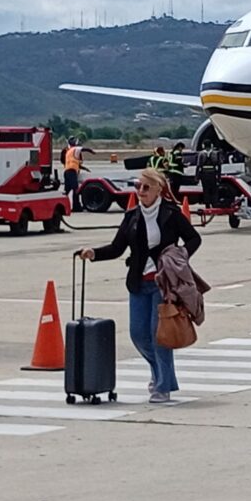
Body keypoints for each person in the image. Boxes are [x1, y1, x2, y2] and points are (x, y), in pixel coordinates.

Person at [78, 168, 201, 403]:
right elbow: (117, 248)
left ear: (158, 189)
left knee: (159, 336)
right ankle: (161, 373)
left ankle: (163, 386)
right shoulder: (132, 216)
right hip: (138, 282)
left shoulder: (171, 213)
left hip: (163, 283)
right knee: (138, 335)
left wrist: (179, 256)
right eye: (137, 186)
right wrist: (93, 253)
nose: (140, 191)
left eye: (145, 187)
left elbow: (194, 238)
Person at [62, 137, 93, 213]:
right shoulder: (74, 149)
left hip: (67, 171)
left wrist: (84, 168)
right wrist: (90, 151)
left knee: (67, 190)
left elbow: (71, 162)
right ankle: (76, 206)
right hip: (72, 171)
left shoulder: (68, 151)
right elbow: (83, 149)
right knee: (76, 189)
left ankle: (62, 206)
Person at [195, 144, 222, 209]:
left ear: (203, 145)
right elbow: (219, 165)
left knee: (206, 190)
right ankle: (214, 204)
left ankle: (207, 205)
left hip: (204, 174)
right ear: (211, 145)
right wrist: (219, 176)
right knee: (214, 190)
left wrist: (197, 176)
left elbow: (198, 166)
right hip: (212, 174)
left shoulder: (201, 154)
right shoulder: (216, 153)